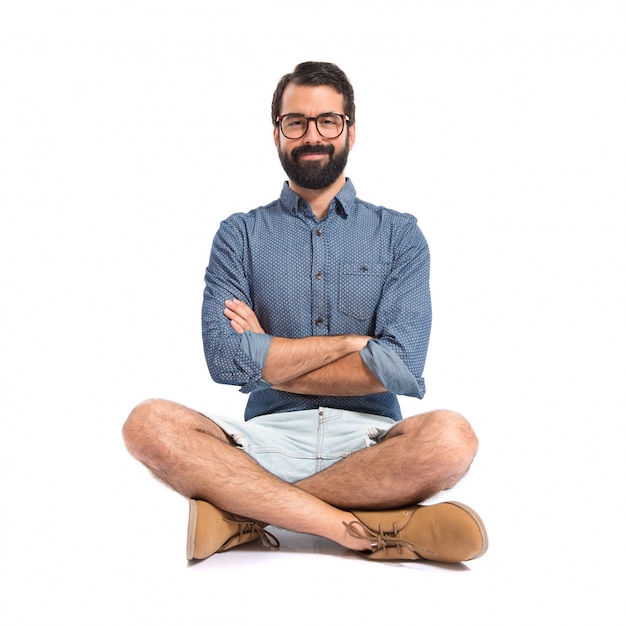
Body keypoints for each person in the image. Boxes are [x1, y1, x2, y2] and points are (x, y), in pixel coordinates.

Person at [122, 61, 488, 563]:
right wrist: (351, 345)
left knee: (452, 438)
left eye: (327, 121)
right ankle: (354, 522)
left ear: (350, 131)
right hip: (261, 443)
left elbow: (400, 368)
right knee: (147, 423)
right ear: (276, 133)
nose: (311, 135)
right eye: (296, 122)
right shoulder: (240, 235)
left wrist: (267, 355)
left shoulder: (400, 235)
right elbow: (227, 363)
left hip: (371, 445)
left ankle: (248, 510)